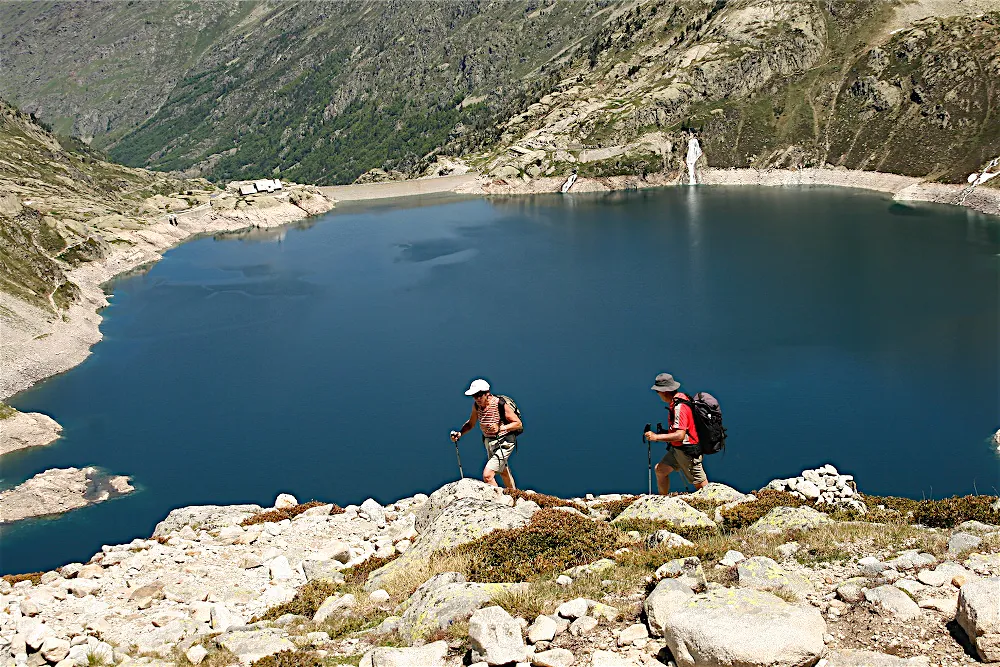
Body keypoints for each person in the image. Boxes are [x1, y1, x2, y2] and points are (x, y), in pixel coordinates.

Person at [450, 379, 521, 489]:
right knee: (502, 471)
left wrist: (501, 428)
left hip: (504, 441)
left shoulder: (500, 404)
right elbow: (470, 424)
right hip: (489, 442)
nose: (477, 398)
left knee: (487, 475)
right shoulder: (476, 406)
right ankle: (514, 495)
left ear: (487, 393)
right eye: (474, 395)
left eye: (479, 395)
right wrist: (460, 433)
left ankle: (499, 502)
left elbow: (518, 424)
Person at [645, 372, 708, 494]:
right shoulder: (680, 398)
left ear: (664, 392)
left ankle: (712, 504)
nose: (657, 394)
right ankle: (662, 501)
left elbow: (680, 435)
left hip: (687, 452)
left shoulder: (680, 407)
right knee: (660, 470)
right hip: (677, 450)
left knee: (702, 487)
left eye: (657, 391)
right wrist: (665, 433)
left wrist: (656, 437)